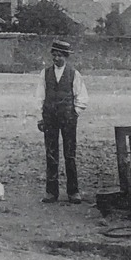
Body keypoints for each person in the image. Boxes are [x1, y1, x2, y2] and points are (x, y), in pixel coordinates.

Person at [36, 39, 88, 203]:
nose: (57, 58)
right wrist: (40, 117)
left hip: (68, 119)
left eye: (60, 55)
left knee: (70, 155)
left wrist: (74, 113)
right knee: (51, 154)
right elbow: (39, 97)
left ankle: (73, 192)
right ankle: (51, 192)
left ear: (66, 57)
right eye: (54, 55)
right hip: (50, 118)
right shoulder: (45, 74)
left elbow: (82, 97)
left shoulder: (74, 74)